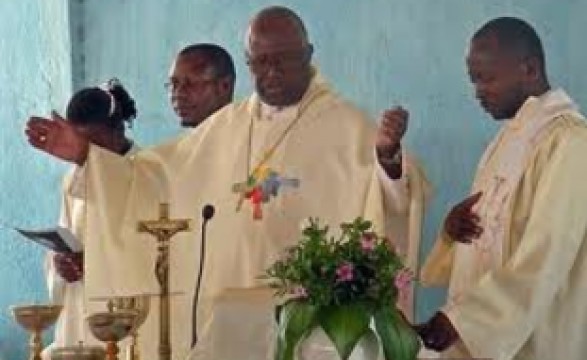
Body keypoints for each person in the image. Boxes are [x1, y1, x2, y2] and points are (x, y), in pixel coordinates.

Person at [26, 6, 429, 360]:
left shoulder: (349, 125)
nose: (271, 72)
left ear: (308, 56)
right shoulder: (224, 127)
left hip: (310, 320)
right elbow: (151, 176)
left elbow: (393, 201)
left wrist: (389, 158)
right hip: (226, 315)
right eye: (260, 61)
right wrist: (86, 155)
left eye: (284, 60)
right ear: (249, 62)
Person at [417, 17, 587, 360]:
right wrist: (452, 232)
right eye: (474, 79)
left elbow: (548, 252)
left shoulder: (570, 141)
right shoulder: (506, 139)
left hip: (534, 339)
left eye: (487, 78)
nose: (478, 91)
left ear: (530, 68)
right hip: (479, 338)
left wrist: (463, 321)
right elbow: (494, 233)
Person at [42, 79, 139, 357]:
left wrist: (95, 262)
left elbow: (149, 251)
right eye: (77, 142)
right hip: (78, 309)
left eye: (91, 144)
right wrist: (59, 263)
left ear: (117, 131)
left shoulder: (145, 172)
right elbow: (64, 235)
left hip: (122, 316)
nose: (84, 153)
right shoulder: (73, 177)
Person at [167, 43, 235, 128]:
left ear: (224, 86)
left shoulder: (247, 138)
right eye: (174, 84)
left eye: (190, 84)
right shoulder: (189, 141)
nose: (178, 94)